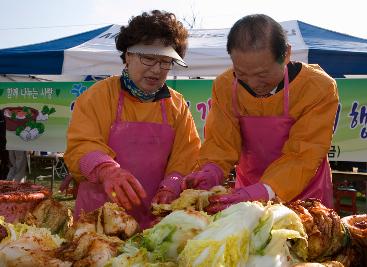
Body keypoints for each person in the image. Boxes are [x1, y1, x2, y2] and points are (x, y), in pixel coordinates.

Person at [183, 14, 339, 213]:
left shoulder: (317, 87)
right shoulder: (224, 85)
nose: (253, 84)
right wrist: (210, 170)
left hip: (305, 192)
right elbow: (220, 142)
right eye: (241, 74)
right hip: (247, 189)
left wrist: (265, 190)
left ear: (286, 54)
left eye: (262, 74)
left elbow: (303, 153)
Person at [64, 10, 201, 229]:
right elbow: (81, 145)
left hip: (154, 220)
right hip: (98, 220)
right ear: (128, 55)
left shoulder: (176, 105)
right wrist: (106, 170)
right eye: (148, 58)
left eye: (166, 62)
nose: (156, 70)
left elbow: (187, 155)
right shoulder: (98, 96)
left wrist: (172, 185)